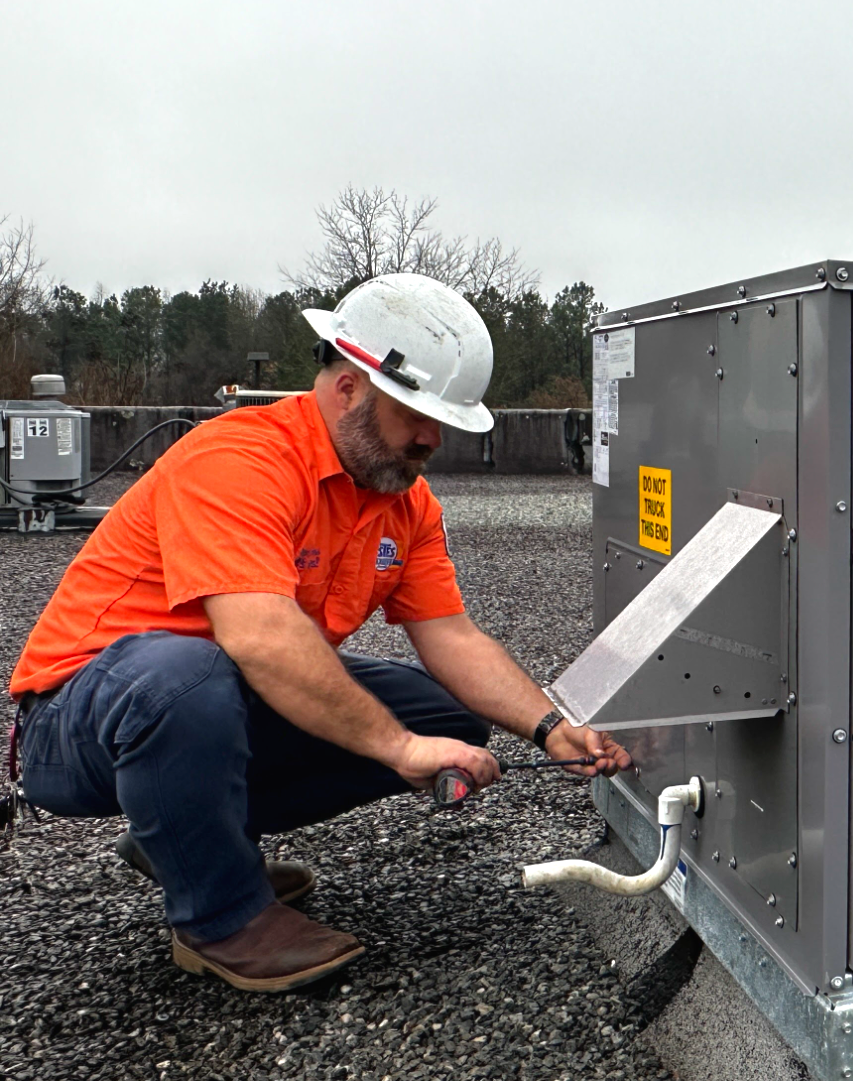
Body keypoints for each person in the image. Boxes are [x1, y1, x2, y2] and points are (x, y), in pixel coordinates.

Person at [6, 273, 631, 992]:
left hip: (202, 698)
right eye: (418, 414)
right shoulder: (239, 460)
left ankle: (189, 836)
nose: (434, 437)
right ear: (349, 388)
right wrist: (398, 750)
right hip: (76, 718)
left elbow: (451, 634)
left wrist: (550, 726)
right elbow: (263, 636)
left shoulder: (404, 500)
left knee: (444, 714)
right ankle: (219, 917)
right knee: (189, 676)